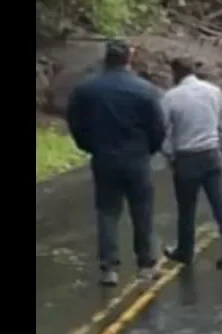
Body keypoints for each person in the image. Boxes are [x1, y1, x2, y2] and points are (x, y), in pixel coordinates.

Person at [65, 40, 165, 286]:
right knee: (141, 210)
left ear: (105, 58)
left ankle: (109, 267)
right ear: (128, 59)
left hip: (105, 157)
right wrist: (148, 149)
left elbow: (75, 123)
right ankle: (145, 263)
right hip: (136, 158)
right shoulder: (145, 90)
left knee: (107, 212)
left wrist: (89, 146)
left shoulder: (86, 89)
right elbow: (158, 128)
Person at [161, 57, 222, 271]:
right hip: (211, 154)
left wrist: (170, 155)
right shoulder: (214, 92)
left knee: (186, 209)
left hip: (186, 157)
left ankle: (185, 251)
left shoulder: (170, 98)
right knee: (221, 206)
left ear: (175, 73)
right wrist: (220, 148)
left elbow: (163, 132)